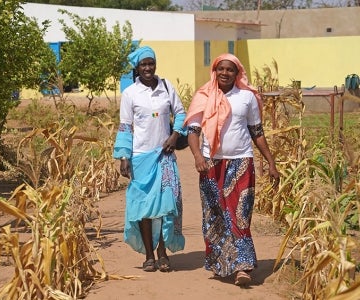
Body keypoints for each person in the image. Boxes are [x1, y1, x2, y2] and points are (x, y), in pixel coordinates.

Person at [184, 53, 279, 285]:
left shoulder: (246, 97)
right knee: (215, 216)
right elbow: (193, 132)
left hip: (241, 161)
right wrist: (198, 157)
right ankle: (221, 263)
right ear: (214, 71)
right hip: (210, 163)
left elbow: (257, 132)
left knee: (240, 215)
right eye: (221, 69)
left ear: (237, 74)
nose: (225, 73)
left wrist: (271, 161)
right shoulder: (203, 96)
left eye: (230, 70)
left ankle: (243, 267)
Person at [113, 46, 186, 272]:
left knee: (165, 207)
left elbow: (182, 113)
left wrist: (174, 136)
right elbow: (125, 126)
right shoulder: (130, 94)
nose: (147, 68)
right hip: (140, 158)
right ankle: (149, 255)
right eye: (143, 64)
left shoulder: (166, 87)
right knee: (143, 208)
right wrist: (124, 157)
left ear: (155, 64)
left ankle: (163, 253)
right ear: (137, 67)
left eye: (151, 63)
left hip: (164, 157)